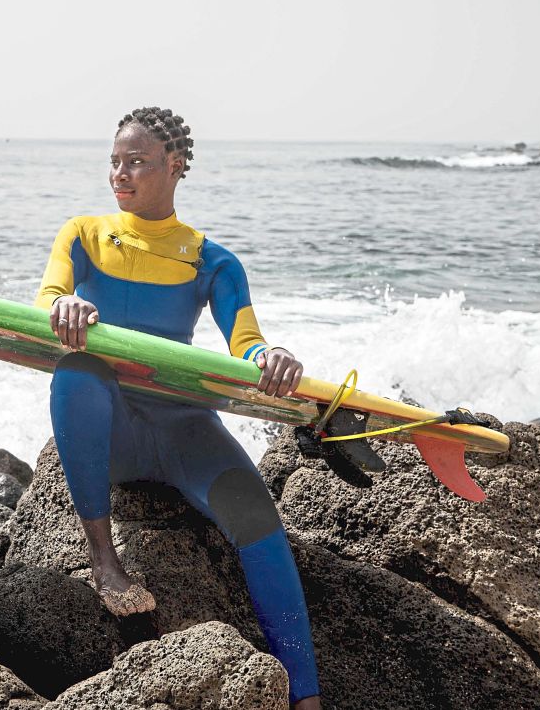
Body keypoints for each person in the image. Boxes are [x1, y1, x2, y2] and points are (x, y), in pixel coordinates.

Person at [36, 107, 374, 710]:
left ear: (175, 167)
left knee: (261, 525)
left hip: (184, 428)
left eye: (137, 162)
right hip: (109, 428)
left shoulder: (212, 260)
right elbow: (50, 296)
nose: (121, 173)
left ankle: (305, 696)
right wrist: (64, 309)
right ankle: (103, 560)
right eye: (115, 161)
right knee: (77, 370)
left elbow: (245, 340)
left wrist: (273, 356)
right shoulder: (83, 235)